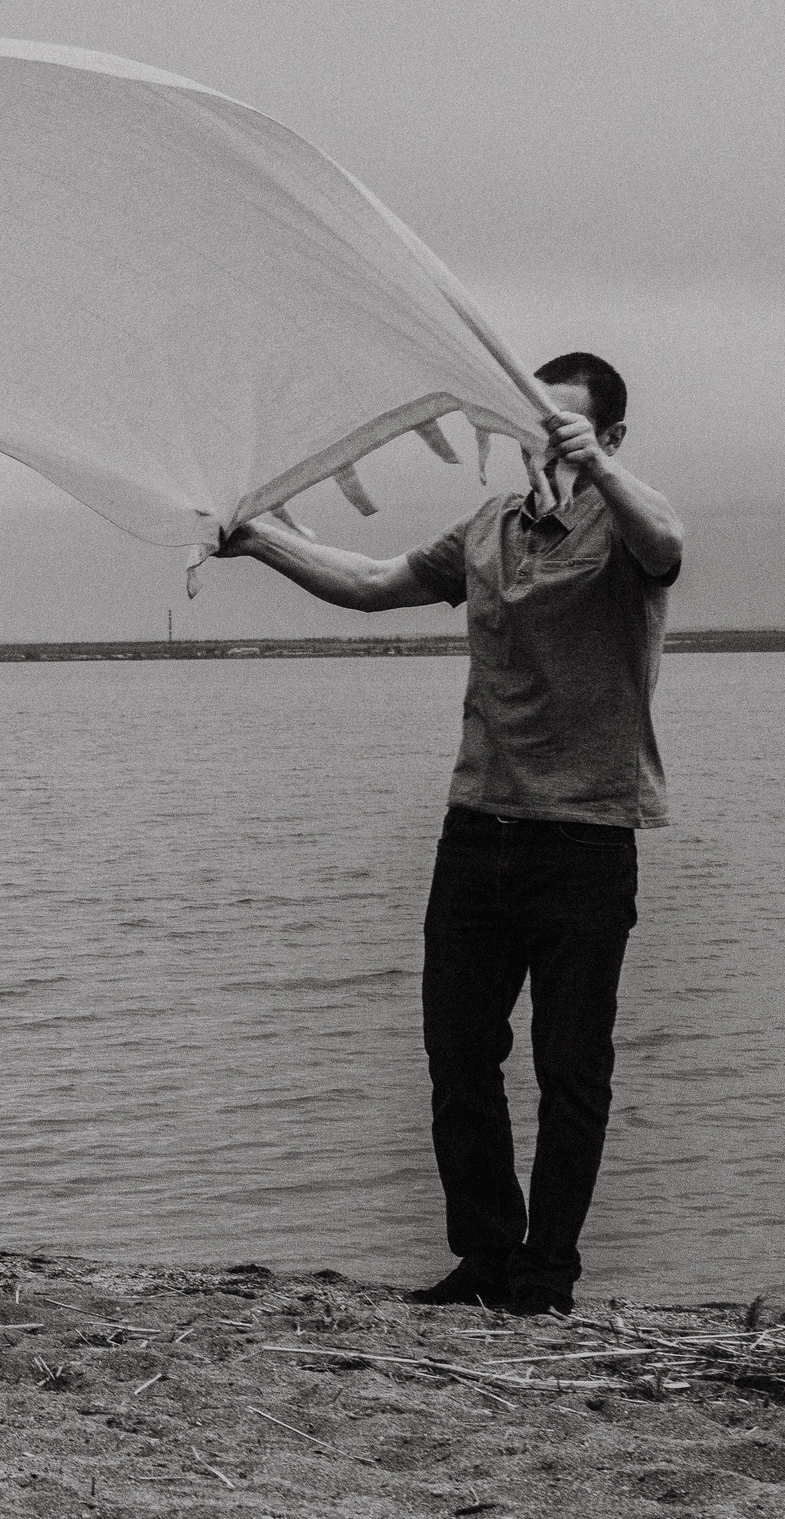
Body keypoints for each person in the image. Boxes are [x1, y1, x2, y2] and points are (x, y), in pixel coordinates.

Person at [222, 353, 686, 1316]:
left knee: (572, 1066)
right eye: (534, 425)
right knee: (458, 1053)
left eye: (569, 425)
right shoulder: (488, 530)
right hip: (477, 828)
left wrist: (591, 465)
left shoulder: (627, 523)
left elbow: (671, 540)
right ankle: (483, 1257)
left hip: (588, 837)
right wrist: (257, 536)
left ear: (611, 437)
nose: (545, 441)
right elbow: (370, 581)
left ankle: (545, 1274)